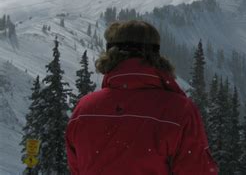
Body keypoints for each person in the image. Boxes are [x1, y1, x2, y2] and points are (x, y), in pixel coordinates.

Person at [66, 20, 218, 174]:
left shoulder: (84, 109)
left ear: (110, 55)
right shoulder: (179, 111)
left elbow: (77, 168)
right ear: (156, 55)